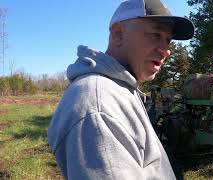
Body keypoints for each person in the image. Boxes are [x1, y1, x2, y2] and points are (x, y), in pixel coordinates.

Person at [48, 0, 194, 179]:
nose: (167, 50)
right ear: (118, 34)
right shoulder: (98, 106)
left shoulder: (120, 90)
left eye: (168, 40)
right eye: (156, 34)